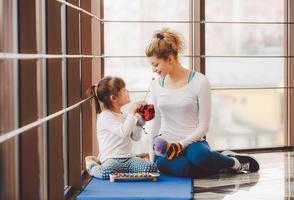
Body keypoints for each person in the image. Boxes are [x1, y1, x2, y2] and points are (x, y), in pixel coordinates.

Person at [145, 28, 259, 178]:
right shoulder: (156, 85)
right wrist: (152, 156)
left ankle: (234, 163)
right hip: (167, 145)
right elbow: (156, 123)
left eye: (156, 64)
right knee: (185, 169)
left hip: (194, 141)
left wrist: (181, 144)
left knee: (200, 158)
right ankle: (217, 161)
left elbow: (204, 126)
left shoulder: (200, 81)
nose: (154, 70)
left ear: (170, 59)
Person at [85, 76, 158, 179]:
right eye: (124, 90)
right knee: (107, 172)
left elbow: (135, 137)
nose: (127, 91)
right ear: (114, 98)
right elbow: (124, 132)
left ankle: (138, 158)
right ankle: (92, 165)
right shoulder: (104, 117)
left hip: (128, 158)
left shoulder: (125, 116)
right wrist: (132, 112)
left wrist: (140, 122)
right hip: (111, 159)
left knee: (151, 168)